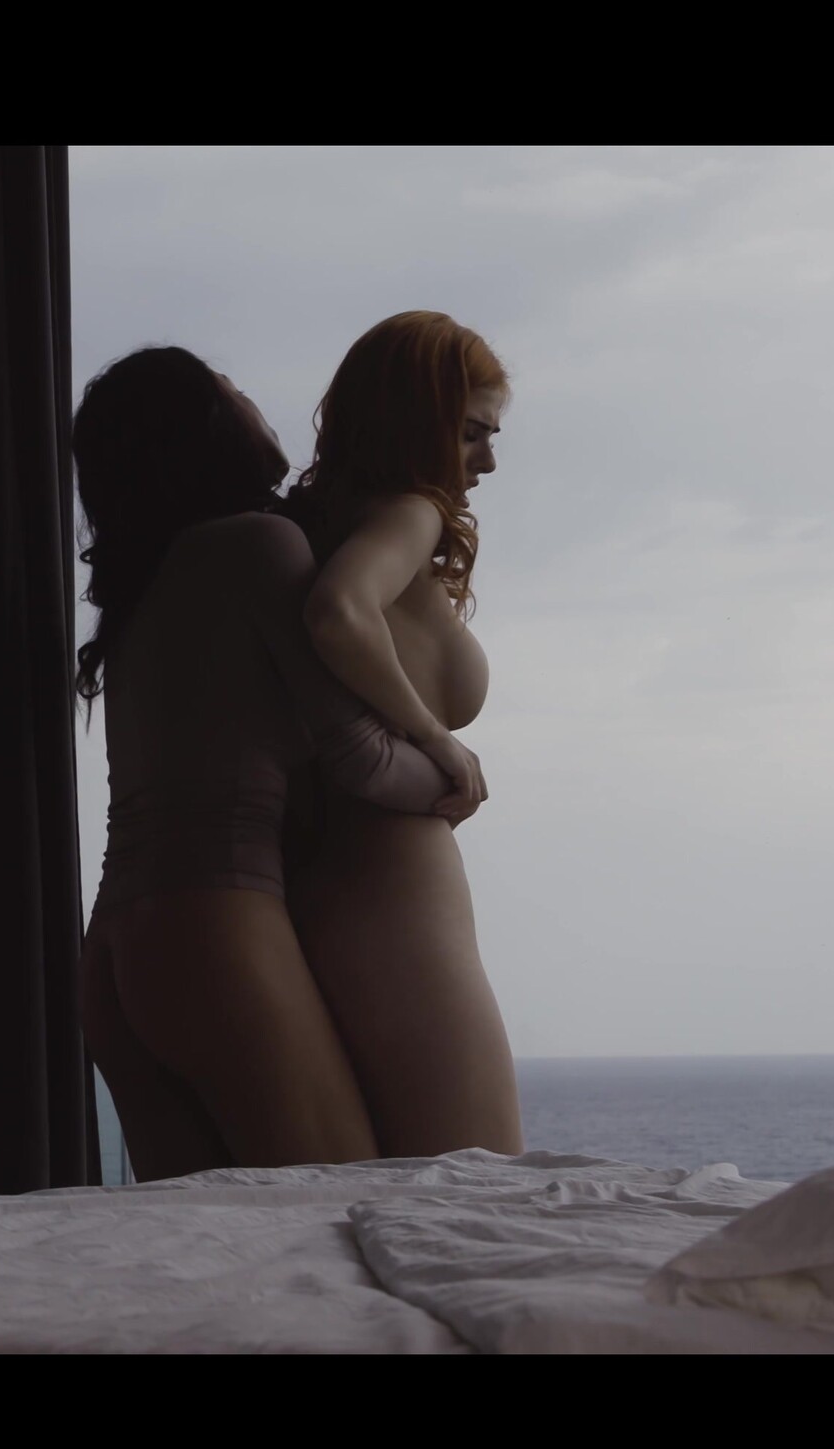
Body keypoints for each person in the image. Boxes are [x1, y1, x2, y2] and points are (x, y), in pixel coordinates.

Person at [74, 346, 457, 1182]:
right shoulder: (256, 545)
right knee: (335, 1204)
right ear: (205, 428)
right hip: (213, 933)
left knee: (208, 1240)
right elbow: (358, 759)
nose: (254, 402)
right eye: (234, 390)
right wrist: (452, 771)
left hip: (111, 953)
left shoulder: (146, 587)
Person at [279, 310, 524, 1157]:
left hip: (312, 876)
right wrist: (435, 736)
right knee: (474, 1173)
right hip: (392, 881)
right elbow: (339, 612)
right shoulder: (410, 513)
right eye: (471, 433)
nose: (487, 462)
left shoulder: (310, 525)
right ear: (415, 422)